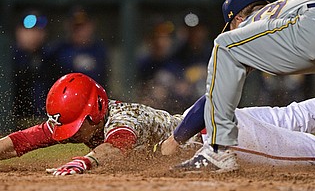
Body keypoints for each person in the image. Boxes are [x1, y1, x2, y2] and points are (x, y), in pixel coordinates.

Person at [174, 0, 315, 172]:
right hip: (310, 19)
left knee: (224, 45)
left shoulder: (249, 24)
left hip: (312, 30)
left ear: (237, 19)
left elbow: (212, 99)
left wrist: (175, 139)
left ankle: (218, 151)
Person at [0, 73, 183, 175]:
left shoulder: (126, 117)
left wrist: (84, 162)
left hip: (201, 139)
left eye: (74, 126)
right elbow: (21, 140)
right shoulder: (86, 123)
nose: (70, 133)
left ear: (96, 111)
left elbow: (117, 146)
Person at [161, 95, 315, 169]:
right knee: (297, 116)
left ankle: (216, 153)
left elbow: (211, 103)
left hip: (217, 133)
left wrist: (175, 140)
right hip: (225, 122)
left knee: (311, 147)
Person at [47, 7, 109, 86]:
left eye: (83, 26)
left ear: (91, 25)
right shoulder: (58, 51)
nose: (80, 30)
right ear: (68, 26)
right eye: (76, 26)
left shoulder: (100, 50)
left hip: (93, 95)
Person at [11, 11, 51, 130]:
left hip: (44, 124)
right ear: (19, 32)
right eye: (29, 30)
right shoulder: (8, 58)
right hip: (12, 125)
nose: (34, 34)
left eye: (38, 30)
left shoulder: (51, 58)